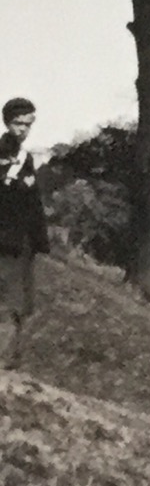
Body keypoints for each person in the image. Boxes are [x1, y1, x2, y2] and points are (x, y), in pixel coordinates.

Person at [0, 98, 49, 371]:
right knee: (7, 300)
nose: (23, 130)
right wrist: (17, 184)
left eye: (28, 124)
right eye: (18, 123)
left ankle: (12, 362)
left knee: (21, 302)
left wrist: (40, 240)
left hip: (22, 241)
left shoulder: (25, 157)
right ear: (7, 122)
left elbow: (34, 205)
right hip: (4, 239)